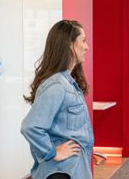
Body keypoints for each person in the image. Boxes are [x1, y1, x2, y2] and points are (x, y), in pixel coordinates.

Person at [21, 20, 94, 179]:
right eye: (83, 41)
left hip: (73, 168)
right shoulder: (57, 85)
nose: (87, 47)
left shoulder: (67, 81)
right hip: (62, 171)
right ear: (70, 45)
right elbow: (30, 126)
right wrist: (52, 152)